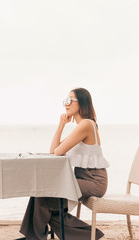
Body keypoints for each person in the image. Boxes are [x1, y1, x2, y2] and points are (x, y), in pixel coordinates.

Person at [19, 88, 109, 240]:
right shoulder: (81, 126)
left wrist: (62, 126)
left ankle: (34, 237)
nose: (66, 104)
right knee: (43, 195)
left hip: (94, 182)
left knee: (44, 194)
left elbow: (57, 152)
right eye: (65, 101)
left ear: (82, 102)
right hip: (84, 180)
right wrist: (61, 124)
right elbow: (53, 150)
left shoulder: (86, 125)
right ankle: (89, 235)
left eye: (70, 100)